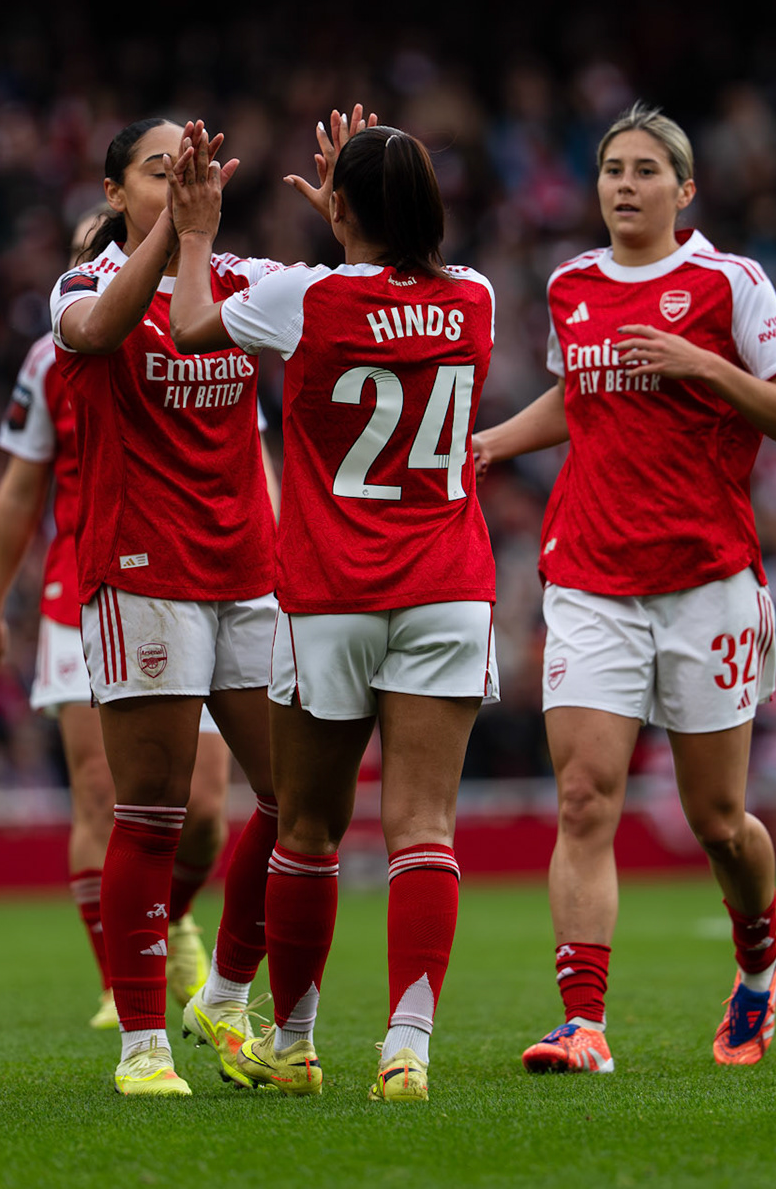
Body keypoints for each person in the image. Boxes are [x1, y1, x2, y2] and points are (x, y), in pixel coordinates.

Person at [473, 102, 776, 1075]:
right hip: (588, 574)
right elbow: (577, 396)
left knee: (717, 819)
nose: (624, 185)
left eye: (644, 171)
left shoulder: (729, 283)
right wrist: (499, 437)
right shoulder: (572, 283)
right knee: (585, 797)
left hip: (706, 583)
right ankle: (583, 1021)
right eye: (611, 170)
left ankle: (759, 958)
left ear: (685, 188)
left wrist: (702, 363)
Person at [167, 111, 498, 1102]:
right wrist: (354, 219)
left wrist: (192, 234)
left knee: (308, 827)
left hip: (330, 594)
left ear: (339, 206)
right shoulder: (477, 299)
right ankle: (407, 1047)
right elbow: (394, 284)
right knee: (424, 827)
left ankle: (298, 1042)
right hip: (447, 588)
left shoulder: (298, 298)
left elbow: (189, 325)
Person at [48, 117, 284, 1096]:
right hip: (143, 571)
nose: (181, 183)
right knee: (149, 814)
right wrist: (176, 235)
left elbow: (347, 308)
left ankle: (224, 992)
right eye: (159, 171)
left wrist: (358, 206)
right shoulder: (78, 288)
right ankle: (141, 1043)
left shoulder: (242, 279)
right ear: (114, 194)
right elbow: (98, 332)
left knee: (298, 802)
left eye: (191, 171)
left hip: (250, 576)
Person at [0, 255, 253, 1025]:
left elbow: (249, 454)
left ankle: (171, 919)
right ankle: (118, 984)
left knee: (205, 814)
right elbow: (23, 482)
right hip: (91, 583)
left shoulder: (218, 317)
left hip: (212, 575)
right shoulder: (54, 348)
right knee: (106, 793)